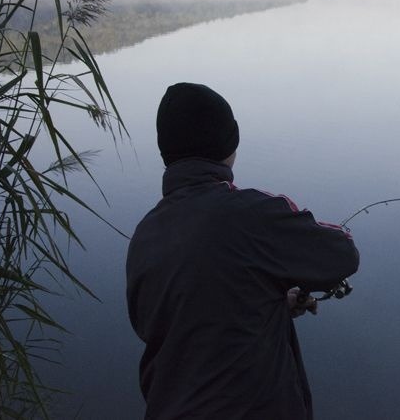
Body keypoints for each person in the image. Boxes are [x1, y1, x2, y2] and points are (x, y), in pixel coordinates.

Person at [126, 82, 359, 420]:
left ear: (166, 151)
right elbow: (342, 254)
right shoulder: (252, 213)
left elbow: (174, 323)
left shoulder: (145, 234)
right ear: (229, 142)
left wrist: (269, 298)